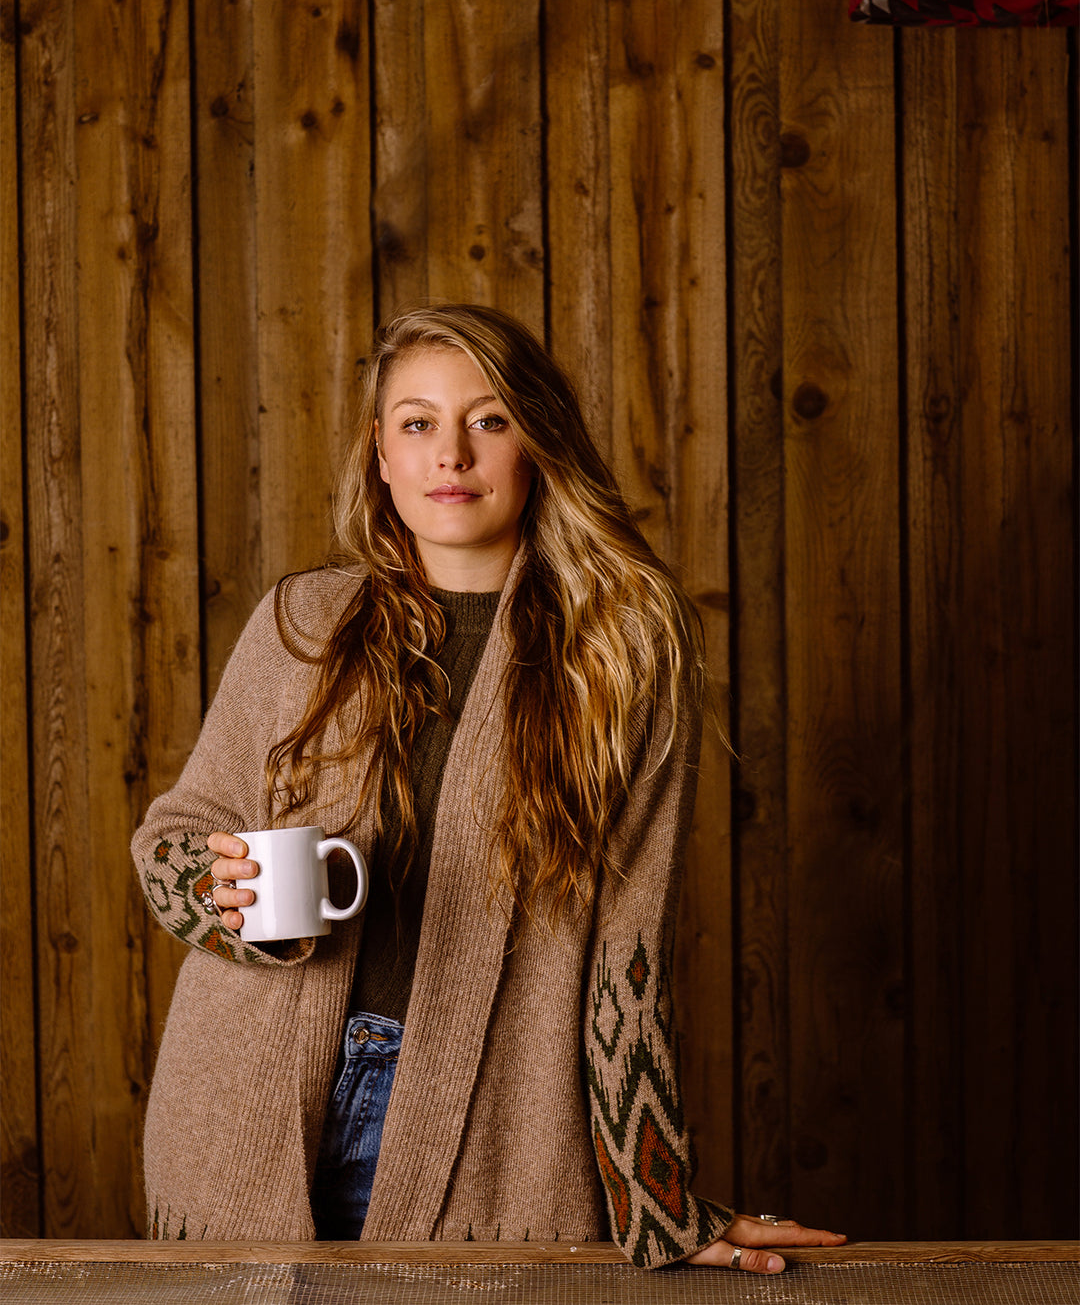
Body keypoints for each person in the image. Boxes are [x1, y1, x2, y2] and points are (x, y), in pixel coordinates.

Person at [132, 304, 845, 1272]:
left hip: (484, 1138)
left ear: (537, 442)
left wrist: (657, 1201)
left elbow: (624, 959)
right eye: (417, 423)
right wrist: (222, 898)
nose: (451, 455)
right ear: (381, 456)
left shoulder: (625, 658)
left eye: (490, 419)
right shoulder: (300, 622)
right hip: (241, 1112)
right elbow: (175, 834)